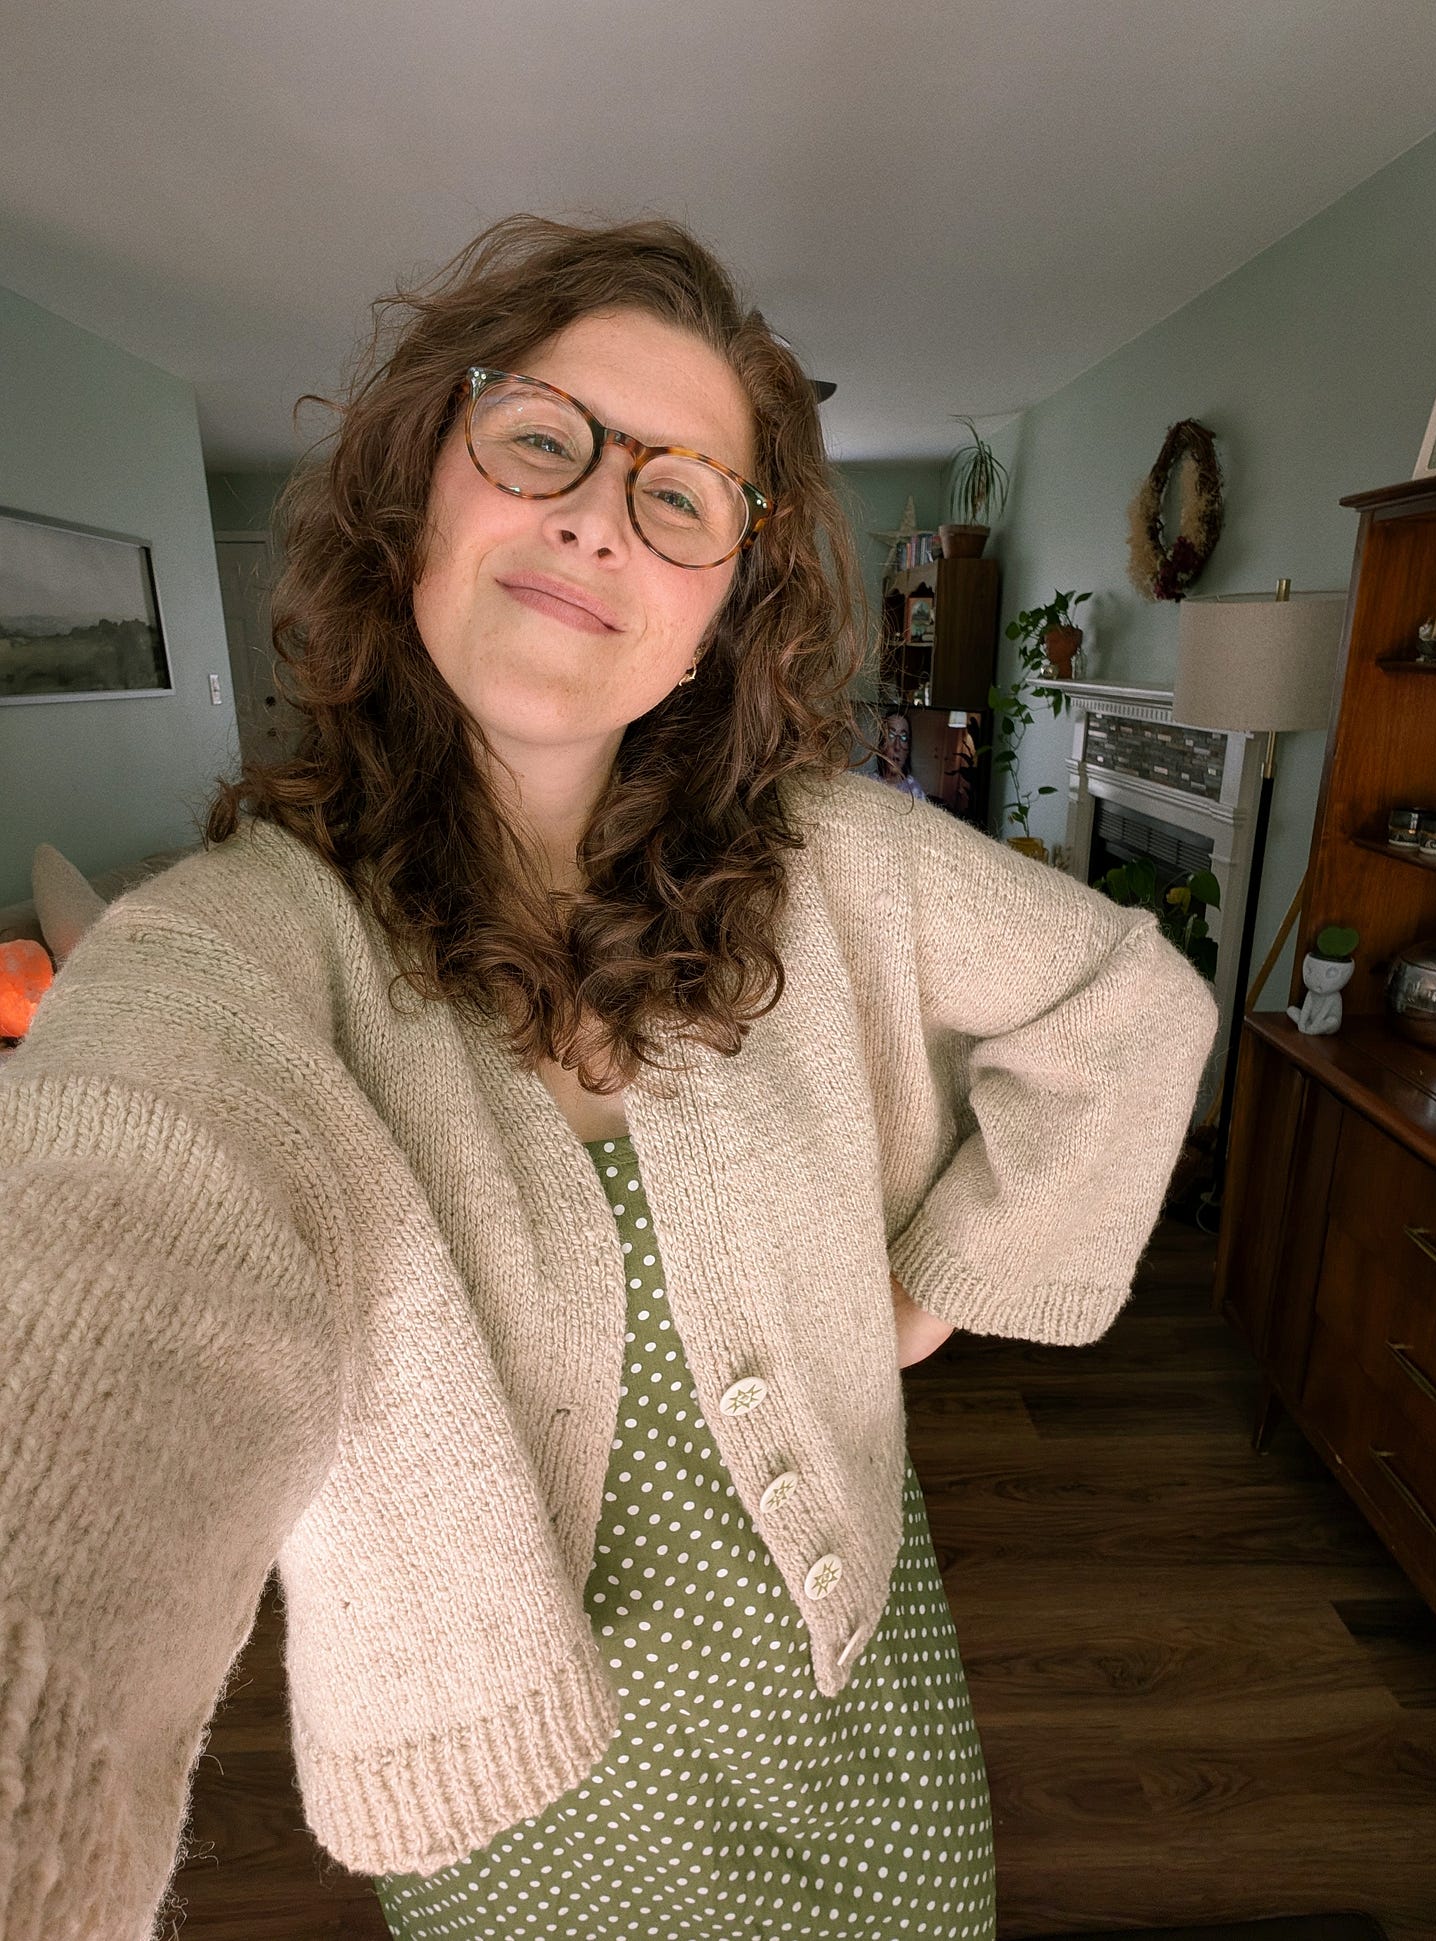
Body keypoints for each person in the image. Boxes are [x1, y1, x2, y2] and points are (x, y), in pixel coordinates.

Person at [0, 215, 1219, 1941]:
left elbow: (1126, 998)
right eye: (543, 436)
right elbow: (107, 1266)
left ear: (730, 601)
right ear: (424, 480)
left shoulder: (842, 862)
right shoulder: (244, 954)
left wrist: (937, 1284)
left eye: (682, 491)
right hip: (515, 1806)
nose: (594, 511)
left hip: (846, 1707)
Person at [874, 708, 928, 800]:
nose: (897, 746)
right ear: (881, 745)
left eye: (903, 738)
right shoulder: (870, 783)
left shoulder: (915, 791)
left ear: (908, 750)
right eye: (891, 735)